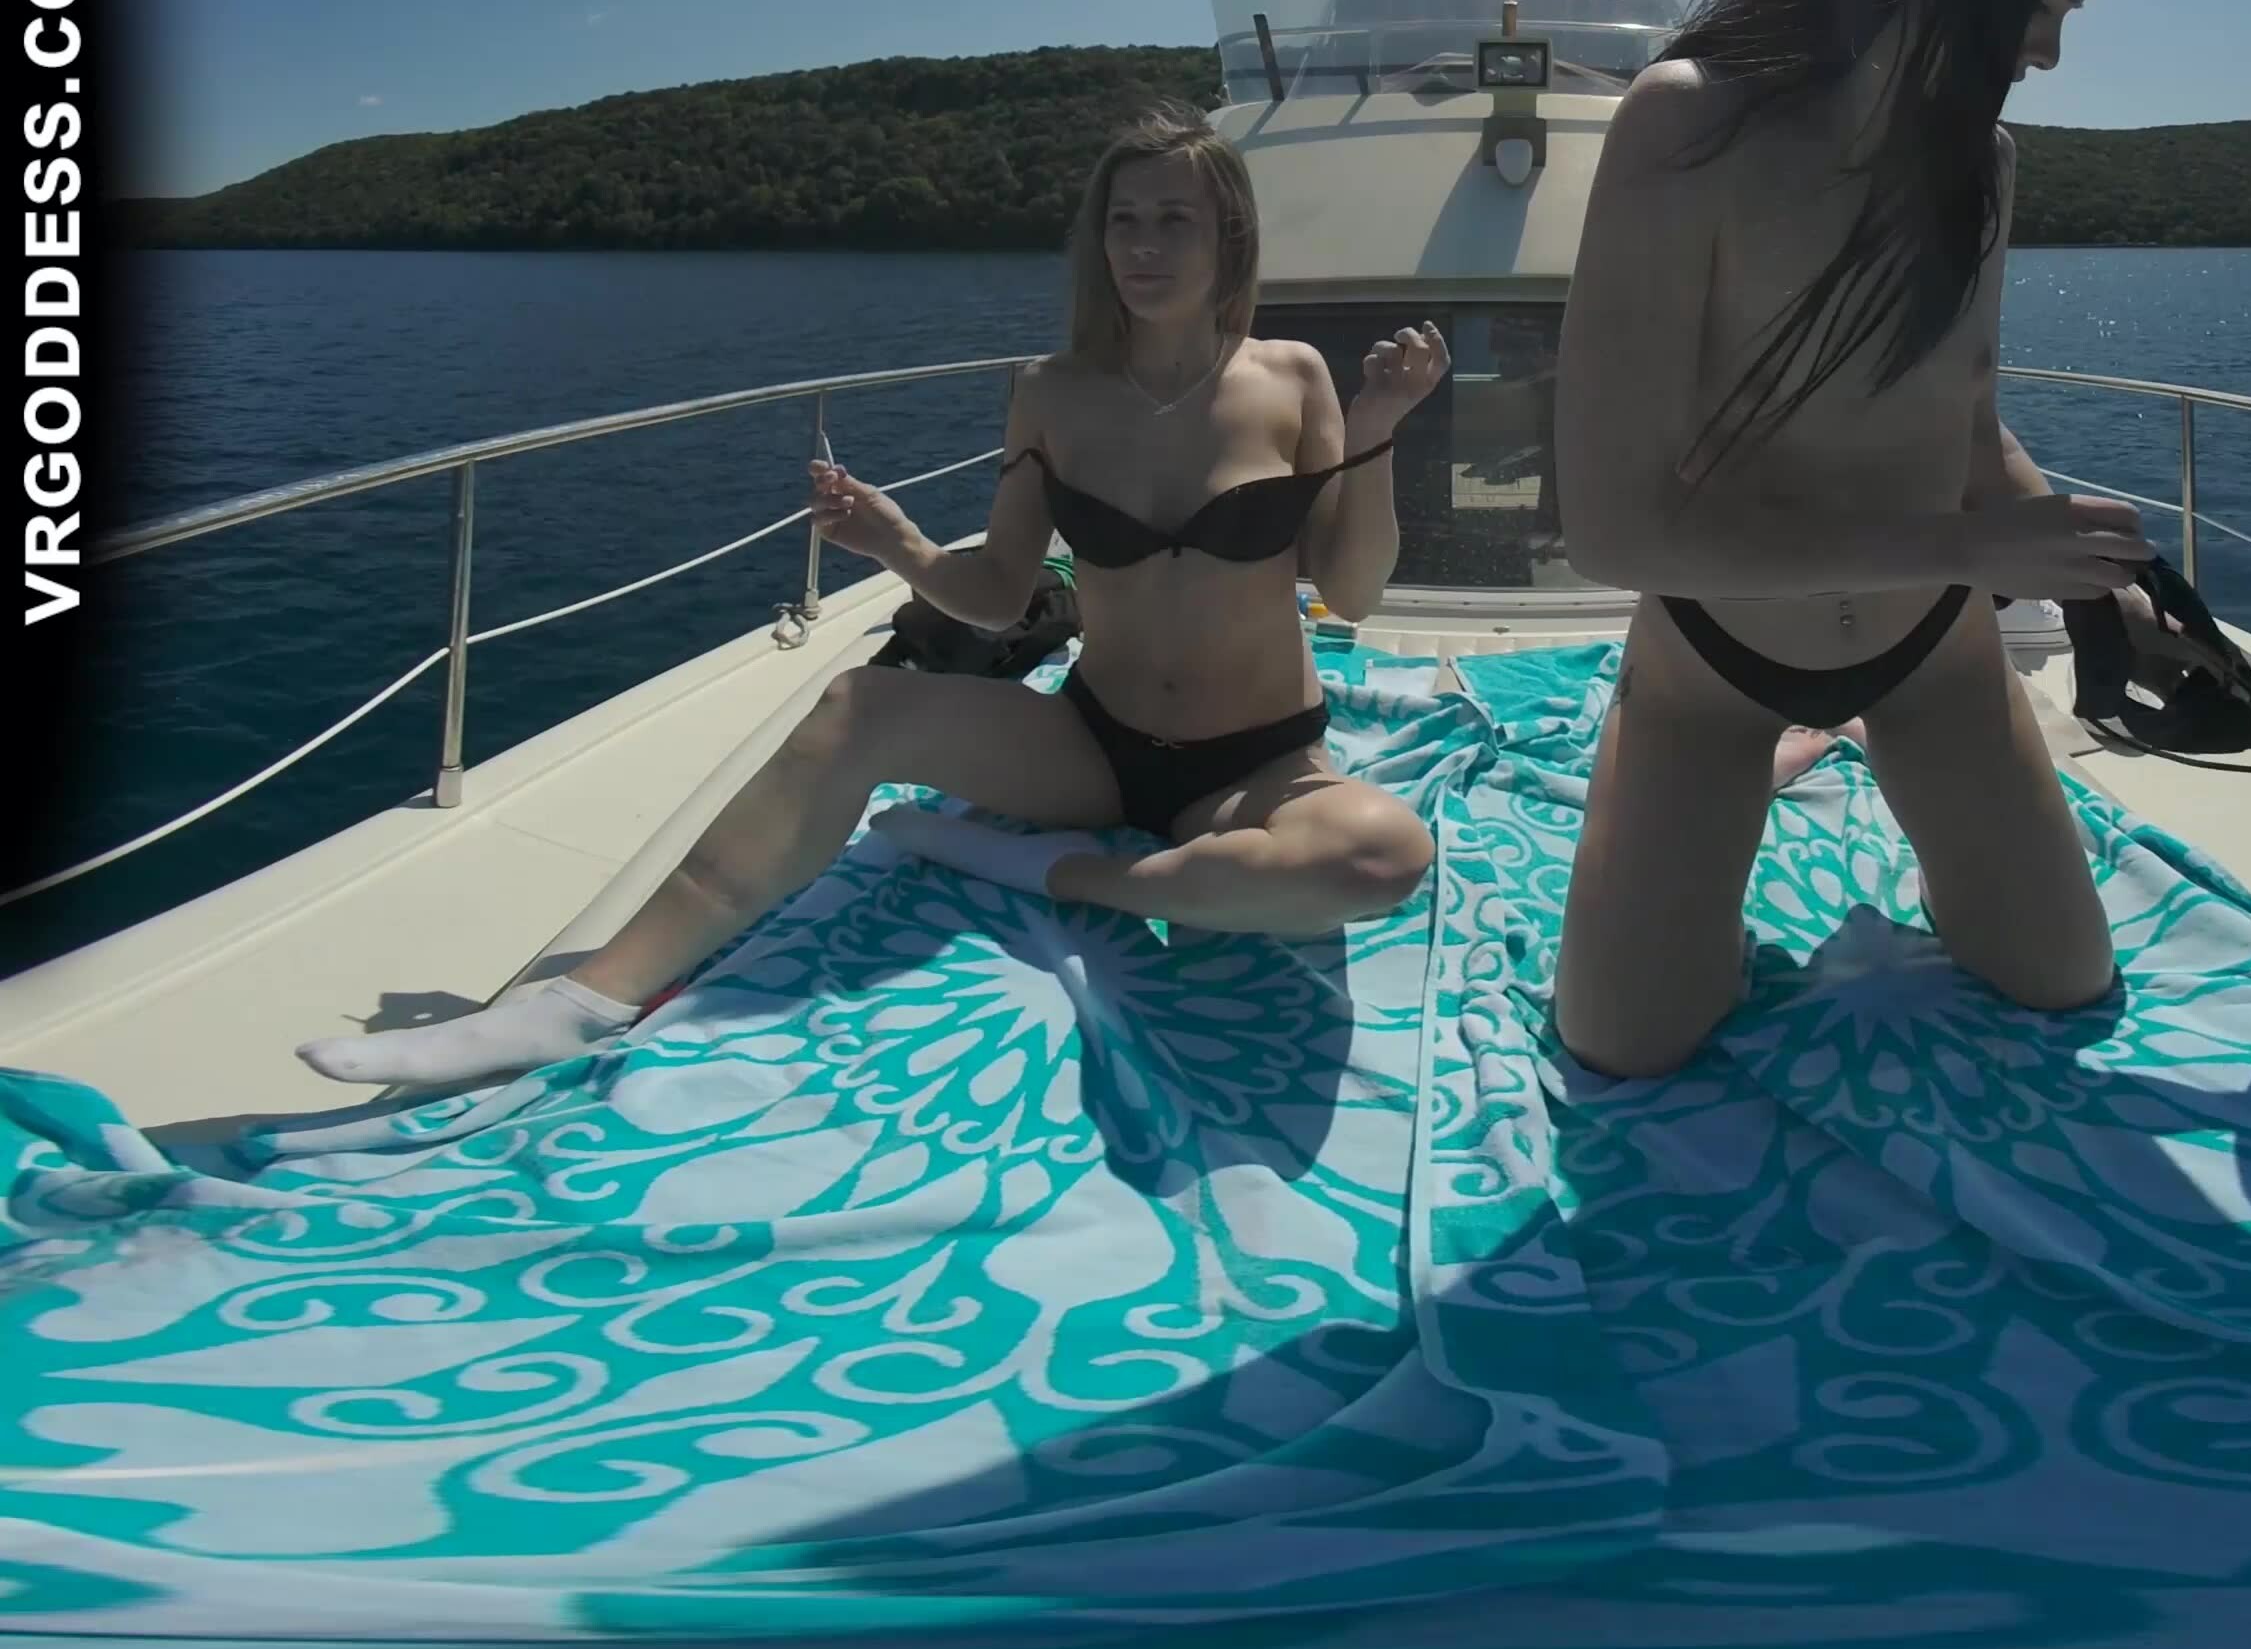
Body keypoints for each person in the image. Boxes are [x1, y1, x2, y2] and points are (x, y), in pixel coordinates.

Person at [301, 114, 1451, 1090]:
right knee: (855, 705)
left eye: (1174, 220)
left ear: (1227, 235)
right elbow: (1000, 595)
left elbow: (1351, 592)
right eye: (1123, 220)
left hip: (1254, 763)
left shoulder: (1294, 379)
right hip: (1094, 747)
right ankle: (583, 1002)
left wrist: (1379, 431)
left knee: (1381, 858)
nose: (1143, 246)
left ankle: (1050, 871)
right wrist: (894, 540)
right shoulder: (1050, 393)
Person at [1544, 0, 2227, 1078]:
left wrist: (2101, 581)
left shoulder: (1985, 166)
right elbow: (1615, 531)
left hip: (1933, 651)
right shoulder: (1688, 123)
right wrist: (1971, 547)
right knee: (1624, 1043)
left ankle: (1850, 745)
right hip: (1717, 663)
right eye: (2043, 5)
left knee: (2063, 980)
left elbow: (1968, 424)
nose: (2049, 53)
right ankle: (1775, 755)